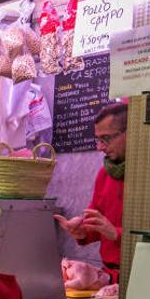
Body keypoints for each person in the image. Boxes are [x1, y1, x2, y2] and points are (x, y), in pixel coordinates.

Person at [54, 102, 126, 283]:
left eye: (106, 139)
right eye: (98, 139)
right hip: (110, 274)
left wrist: (117, 234)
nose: (100, 147)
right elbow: (96, 220)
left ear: (131, 132)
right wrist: (82, 231)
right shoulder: (105, 173)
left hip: (142, 272)